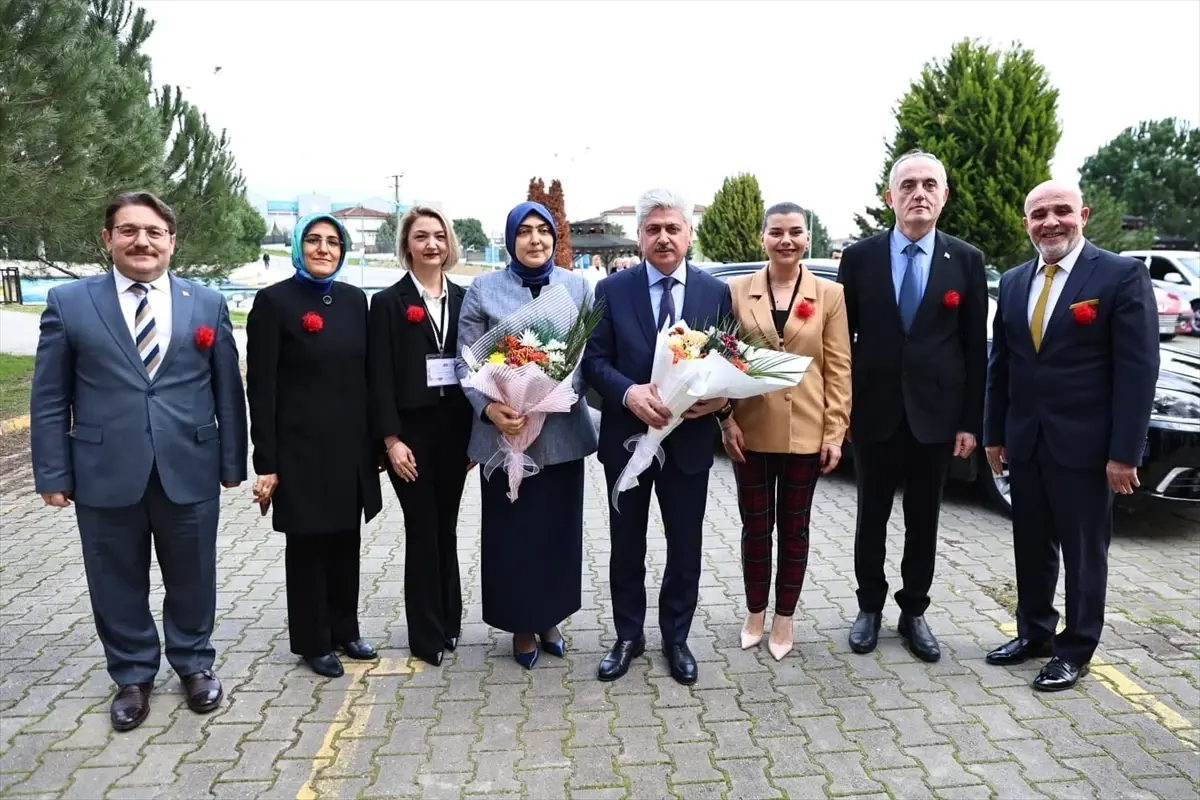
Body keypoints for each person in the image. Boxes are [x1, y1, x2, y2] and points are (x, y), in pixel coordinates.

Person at [30, 191, 247, 732]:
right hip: (104, 470)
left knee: (193, 574)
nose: (141, 241)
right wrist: (52, 472)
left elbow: (227, 389)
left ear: (172, 242)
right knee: (114, 578)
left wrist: (231, 460)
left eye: (154, 232)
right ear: (107, 240)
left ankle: (194, 664)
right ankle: (131, 675)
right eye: (128, 230)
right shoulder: (69, 302)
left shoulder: (206, 303)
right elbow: (51, 396)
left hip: (189, 464)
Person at [984, 181, 1158, 691]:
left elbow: (1137, 370)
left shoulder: (1122, 275)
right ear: (1027, 224)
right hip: (1027, 442)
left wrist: (1124, 453)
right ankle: (1034, 632)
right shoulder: (1015, 282)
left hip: (1087, 448)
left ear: (1082, 214)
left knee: (1085, 553)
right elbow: (1003, 364)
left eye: (1061, 211)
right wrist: (995, 434)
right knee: (1030, 543)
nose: (1050, 222)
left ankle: (1075, 648)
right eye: (1039, 214)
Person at [837, 150, 988, 662]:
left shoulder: (966, 260)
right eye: (907, 185)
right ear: (889, 197)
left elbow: (974, 348)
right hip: (873, 414)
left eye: (929, 184)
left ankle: (914, 610)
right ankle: (869, 608)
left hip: (935, 418)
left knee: (925, 519)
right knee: (870, 517)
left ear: (944, 196)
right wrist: (843, 413)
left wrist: (970, 421)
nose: (918, 193)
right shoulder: (858, 258)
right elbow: (843, 343)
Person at [582, 188, 732, 685]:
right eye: (653, 229)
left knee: (684, 544)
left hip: (688, 444)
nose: (664, 237)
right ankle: (628, 635)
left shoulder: (715, 292)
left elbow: (728, 361)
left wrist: (720, 401)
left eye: (673, 228)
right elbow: (595, 362)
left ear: (689, 234)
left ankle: (676, 637)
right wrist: (627, 395)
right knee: (626, 542)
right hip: (627, 440)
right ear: (640, 237)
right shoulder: (610, 292)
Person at [456, 201, 598, 669]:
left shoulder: (577, 287)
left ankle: (550, 616)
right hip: (505, 436)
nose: (535, 240)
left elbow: (585, 357)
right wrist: (491, 407)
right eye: (525, 232)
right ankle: (520, 623)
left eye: (543, 231)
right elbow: (466, 361)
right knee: (512, 534)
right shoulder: (484, 289)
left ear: (554, 239)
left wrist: (552, 395)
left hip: (558, 434)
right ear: (511, 238)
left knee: (557, 532)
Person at [245, 213, 383, 678]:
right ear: (298, 247)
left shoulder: (351, 300)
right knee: (308, 548)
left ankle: (346, 628)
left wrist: (378, 441)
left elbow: (367, 375)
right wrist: (266, 460)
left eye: (332, 242)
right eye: (313, 241)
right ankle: (312, 639)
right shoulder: (273, 302)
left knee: (346, 540)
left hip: (350, 449)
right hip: (300, 451)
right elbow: (260, 389)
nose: (324, 249)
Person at [722, 202, 852, 661]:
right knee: (755, 527)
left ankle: (785, 617)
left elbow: (838, 368)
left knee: (794, 529)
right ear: (763, 237)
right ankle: (755, 611)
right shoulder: (738, 292)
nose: (786, 241)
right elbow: (721, 364)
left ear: (807, 238)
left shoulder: (829, 295)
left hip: (806, 433)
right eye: (776, 232)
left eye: (795, 232)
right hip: (751, 432)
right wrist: (726, 418)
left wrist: (834, 432)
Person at [369, 206, 473, 667]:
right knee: (421, 528)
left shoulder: (467, 298)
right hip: (411, 436)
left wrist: (477, 437)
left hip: (454, 432)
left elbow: (480, 367)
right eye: (421, 237)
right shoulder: (388, 303)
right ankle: (425, 633)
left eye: (439, 236)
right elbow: (379, 377)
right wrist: (391, 440)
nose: (432, 244)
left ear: (449, 244)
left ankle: (450, 619)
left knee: (445, 527)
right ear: (406, 246)